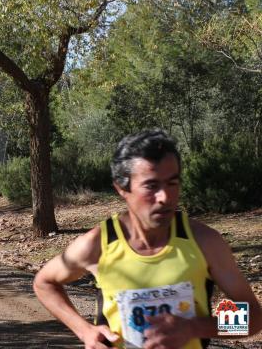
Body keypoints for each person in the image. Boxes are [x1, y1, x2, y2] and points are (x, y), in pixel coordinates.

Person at [33, 129, 261, 349]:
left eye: (172, 183)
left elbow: (254, 318)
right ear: (122, 188)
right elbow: (44, 283)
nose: (164, 197)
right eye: (151, 186)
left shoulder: (204, 242)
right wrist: (84, 331)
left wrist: (193, 327)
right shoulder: (98, 244)